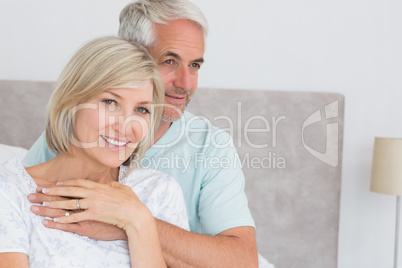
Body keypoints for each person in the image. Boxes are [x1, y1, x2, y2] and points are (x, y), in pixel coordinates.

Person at [23, 0, 259, 267]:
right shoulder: (75, 133)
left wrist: (128, 221)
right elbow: (21, 205)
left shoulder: (210, 146)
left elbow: (243, 261)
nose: (186, 83)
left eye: (194, 65)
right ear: (130, 56)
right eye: (170, 61)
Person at [0, 36, 190, 267]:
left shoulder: (159, 191)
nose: (126, 126)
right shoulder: (10, 190)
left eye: (141, 109)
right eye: (110, 102)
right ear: (72, 101)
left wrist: (138, 221)